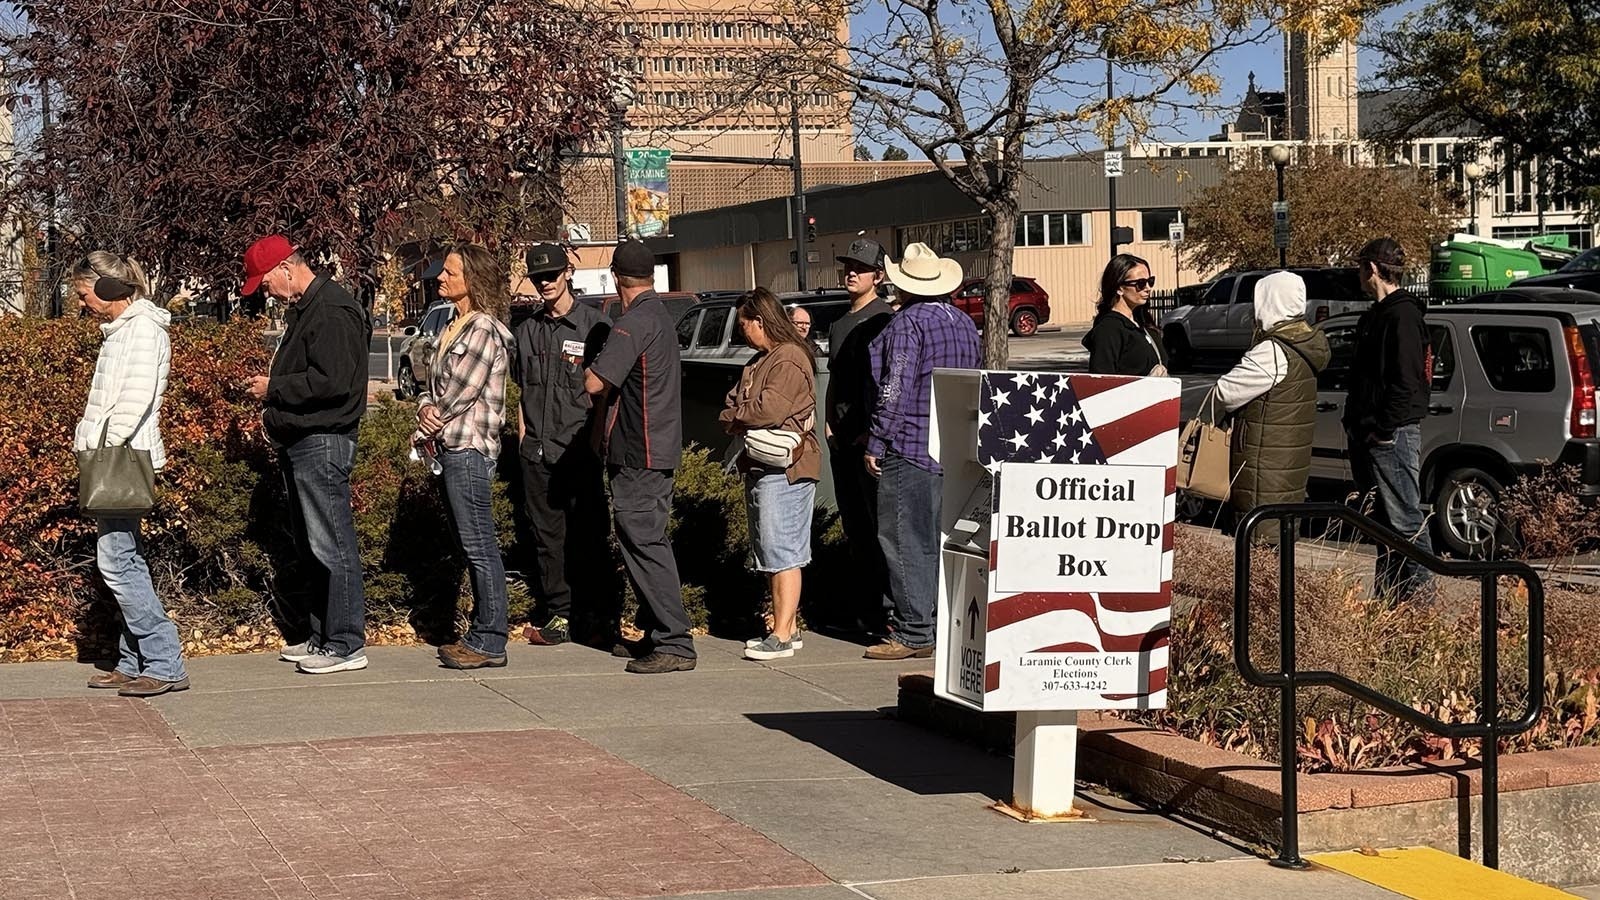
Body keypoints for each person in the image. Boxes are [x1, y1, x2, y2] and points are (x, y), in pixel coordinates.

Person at [242, 235, 371, 674]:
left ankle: (346, 641)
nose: (265, 291)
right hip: (306, 439)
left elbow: (332, 381)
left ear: (286, 268)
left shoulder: (331, 310)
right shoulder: (310, 309)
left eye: (265, 282)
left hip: (323, 439)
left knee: (330, 543)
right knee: (315, 545)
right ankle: (323, 636)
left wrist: (273, 388)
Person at [72, 255, 189, 697]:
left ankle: (164, 661)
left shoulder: (142, 330)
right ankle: (134, 658)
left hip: (121, 460)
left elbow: (135, 401)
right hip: (114, 457)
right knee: (125, 558)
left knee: (117, 562)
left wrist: (100, 447)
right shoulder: (124, 331)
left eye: (84, 294)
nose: (82, 304)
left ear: (106, 289)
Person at [862, 242, 980, 660]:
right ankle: (936, 624)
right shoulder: (963, 322)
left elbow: (895, 389)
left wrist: (877, 440)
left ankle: (914, 631)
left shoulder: (907, 324)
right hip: (955, 448)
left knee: (905, 538)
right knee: (940, 539)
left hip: (911, 445)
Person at [585, 241, 696, 674]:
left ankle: (675, 641)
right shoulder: (661, 318)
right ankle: (656, 632)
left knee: (645, 541)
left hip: (639, 452)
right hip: (658, 449)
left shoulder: (633, 323)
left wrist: (583, 370)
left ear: (616, 277)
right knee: (647, 539)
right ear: (651, 276)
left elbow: (596, 383)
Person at [413, 244, 516, 669]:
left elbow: (458, 394)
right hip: (450, 448)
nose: (441, 276)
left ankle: (490, 639)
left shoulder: (483, 330)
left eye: (450, 272)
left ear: (472, 280)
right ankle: (480, 633)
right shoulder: (452, 327)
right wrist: (423, 405)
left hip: (469, 449)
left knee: (479, 547)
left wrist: (425, 423)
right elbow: (429, 384)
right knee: (468, 545)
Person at [512, 242, 616, 647]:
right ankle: (558, 614)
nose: (545, 283)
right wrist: (523, 439)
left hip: (578, 451)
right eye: (538, 277)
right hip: (537, 453)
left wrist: (594, 444)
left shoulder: (595, 326)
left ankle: (596, 615)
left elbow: (604, 395)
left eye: (552, 275)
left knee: (589, 536)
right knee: (546, 540)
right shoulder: (527, 330)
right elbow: (522, 392)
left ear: (567, 273)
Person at [720, 288, 821, 661]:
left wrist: (736, 416)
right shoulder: (760, 360)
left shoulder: (789, 358)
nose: (742, 331)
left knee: (785, 552)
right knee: (771, 549)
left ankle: (780, 634)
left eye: (743, 324)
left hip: (788, 469)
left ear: (759, 322)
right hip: (764, 467)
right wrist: (739, 413)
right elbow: (736, 403)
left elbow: (768, 410)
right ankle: (787, 628)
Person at [1344, 237, 1434, 600]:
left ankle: (1423, 603)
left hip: (1391, 435)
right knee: (1383, 525)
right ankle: (1392, 600)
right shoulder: (1378, 314)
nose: (1359, 273)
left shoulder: (1403, 315)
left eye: (1361, 265)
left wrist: (1383, 430)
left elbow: (1408, 381)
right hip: (1373, 434)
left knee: (1405, 520)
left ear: (1374, 269)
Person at [1213, 271, 1331, 525]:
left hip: (1262, 463)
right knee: (1280, 531)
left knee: (1258, 536)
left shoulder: (1273, 350)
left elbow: (1225, 391)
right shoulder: (1305, 341)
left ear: (1269, 301)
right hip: (1286, 462)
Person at [825, 238, 895, 633]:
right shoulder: (839, 322)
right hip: (841, 440)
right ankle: (865, 610)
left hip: (871, 443)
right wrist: (829, 422)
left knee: (878, 529)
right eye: (848, 266)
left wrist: (872, 432)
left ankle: (887, 614)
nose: (851, 273)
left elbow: (886, 383)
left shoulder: (883, 319)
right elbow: (835, 376)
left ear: (878, 276)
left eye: (861, 267)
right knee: (854, 528)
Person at [1084, 254, 1168, 376]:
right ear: (1119, 288)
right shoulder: (1109, 328)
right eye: (1141, 283)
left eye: (1150, 281)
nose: (1148, 288)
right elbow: (1101, 379)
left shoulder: (1143, 324)